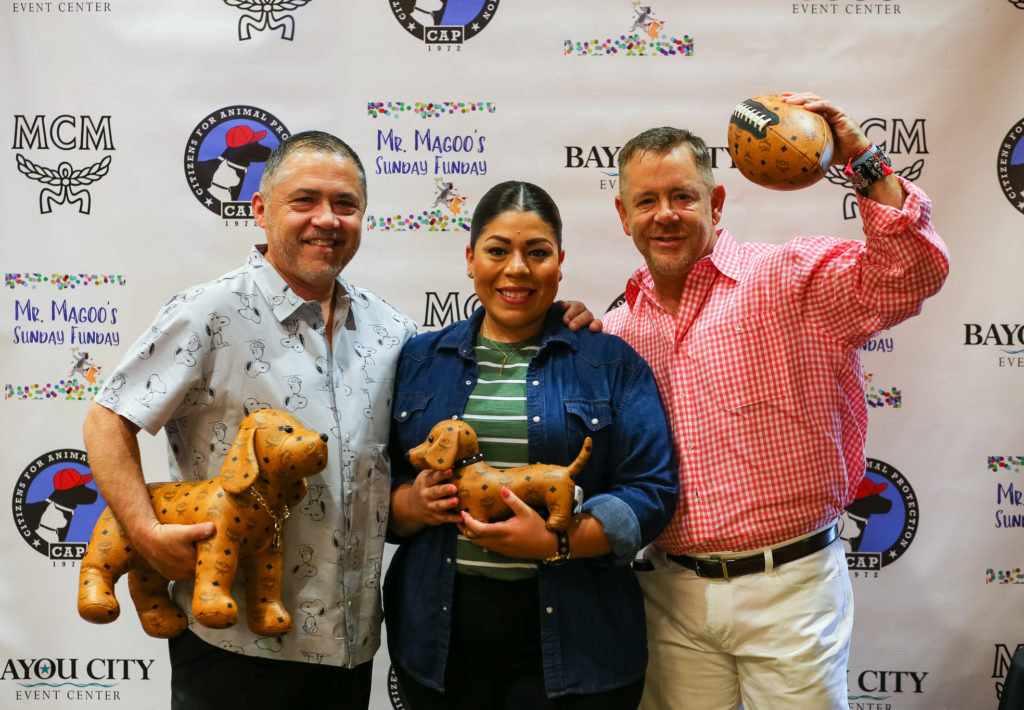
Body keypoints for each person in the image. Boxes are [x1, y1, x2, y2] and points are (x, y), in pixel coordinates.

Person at [81, 131, 597, 710]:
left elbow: (479, 349)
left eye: (345, 205)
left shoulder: (391, 331)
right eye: (304, 201)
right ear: (259, 210)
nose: (326, 219)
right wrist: (146, 533)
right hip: (235, 647)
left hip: (349, 649)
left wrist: (560, 322)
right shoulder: (208, 313)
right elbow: (107, 419)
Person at [603, 93, 950, 710]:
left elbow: (913, 272)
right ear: (622, 214)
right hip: (670, 593)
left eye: (683, 196)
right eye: (646, 201)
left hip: (790, 588)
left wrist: (860, 160)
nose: (666, 215)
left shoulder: (792, 278)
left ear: (716, 202)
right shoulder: (621, 329)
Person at [384, 180, 679, 709]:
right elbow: (373, 490)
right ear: (470, 259)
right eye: (498, 251)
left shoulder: (609, 362)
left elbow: (650, 490)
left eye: (536, 252)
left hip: (582, 648)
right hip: (441, 649)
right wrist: (411, 503)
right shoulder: (419, 361)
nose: (516, 269)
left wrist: (555, 542)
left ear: (559, 263)